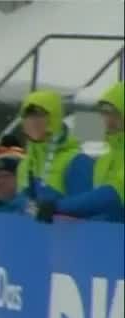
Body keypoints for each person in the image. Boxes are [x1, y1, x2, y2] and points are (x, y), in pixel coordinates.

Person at [35, 81, 124, 223]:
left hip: (114, 232)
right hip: (106, 230)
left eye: (110, 111)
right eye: (102, 111)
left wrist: (58, 206)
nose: (105, 117)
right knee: (80, 164)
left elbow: (112, 195)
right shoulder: (106, 159)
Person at [16, 89, 95, 206]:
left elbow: (84, 208)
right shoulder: (25, 164)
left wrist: (54, 208)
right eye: (26, 115)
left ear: (53, 118)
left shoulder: (77, 161)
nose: (31, 121)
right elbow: (20, 205)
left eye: (38, 115)